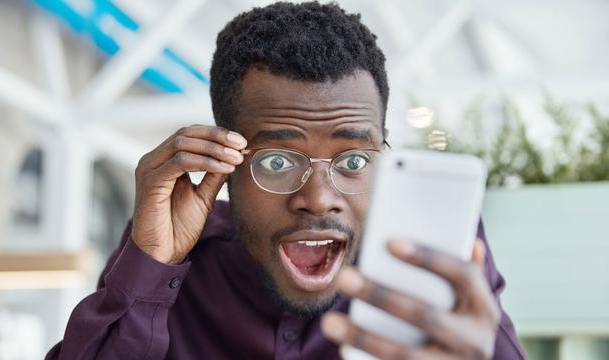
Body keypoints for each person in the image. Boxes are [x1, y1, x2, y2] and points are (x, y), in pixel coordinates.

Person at [47, 2, 525, 359]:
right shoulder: (169, 247)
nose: (318, 200)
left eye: (354, 162)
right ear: (225, 162)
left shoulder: (437, 260)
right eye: (278, 162)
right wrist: (150, 266)